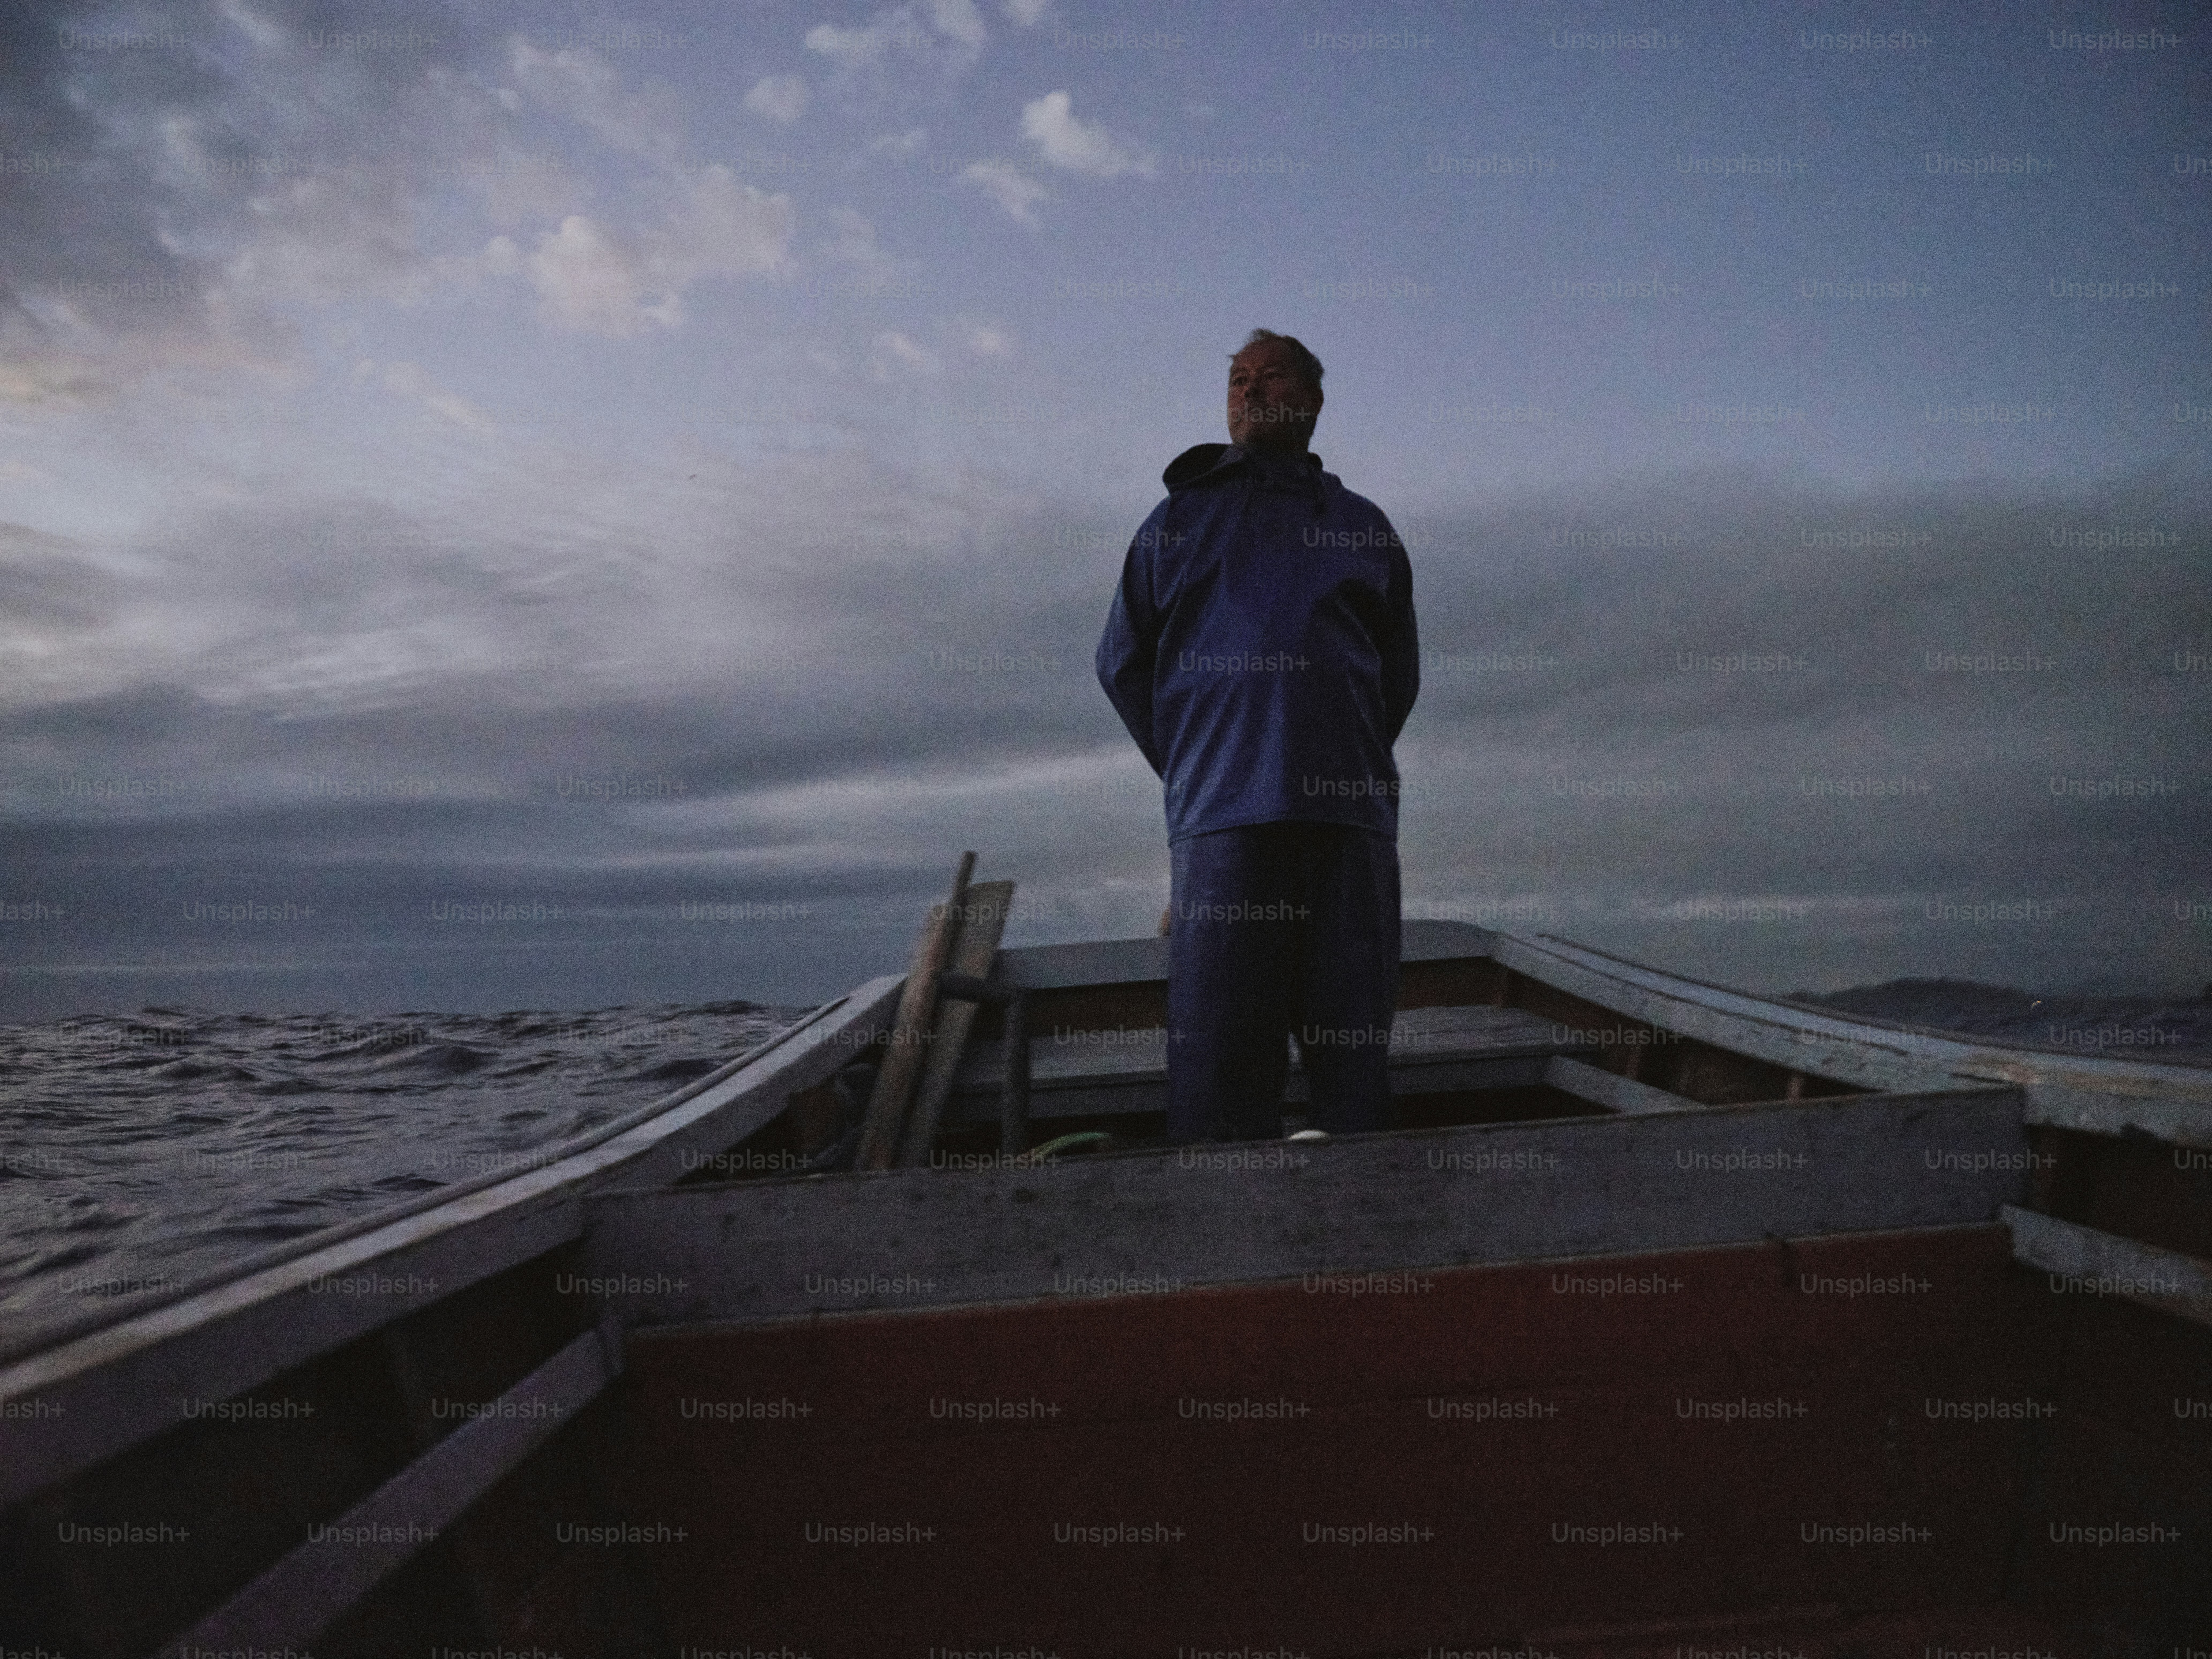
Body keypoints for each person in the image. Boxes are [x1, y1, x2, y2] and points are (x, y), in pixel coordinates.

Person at [1096, 329, 1419, 1144]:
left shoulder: (1364, 528)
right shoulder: (1176, 523)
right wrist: (1202, 766)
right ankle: (1218, 1214)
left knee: (1353, 1052)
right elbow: (1122, 665)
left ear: (1312, 399)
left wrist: (1342, 759)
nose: (1249, 391)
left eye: (1271, 377)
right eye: (1238, 379)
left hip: (1350, 821)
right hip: (1224, 823)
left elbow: (1397, 674)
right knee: (1220, 1065)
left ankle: (1367, 1209)